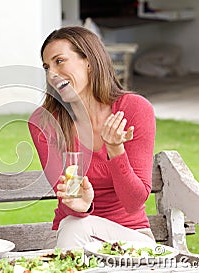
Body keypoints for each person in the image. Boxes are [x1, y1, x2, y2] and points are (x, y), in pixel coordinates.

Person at [28, 26, 156, 249]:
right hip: (72, 233)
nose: (51, 74)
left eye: (60, 61)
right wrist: (81, 207)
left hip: (129, 236)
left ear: (88, 61)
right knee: (76, 225)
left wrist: (116, 150)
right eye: (47, 67)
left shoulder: (134, 109)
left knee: (77, 228)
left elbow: (133, 202)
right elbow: (68, 201)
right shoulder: (44, 122)